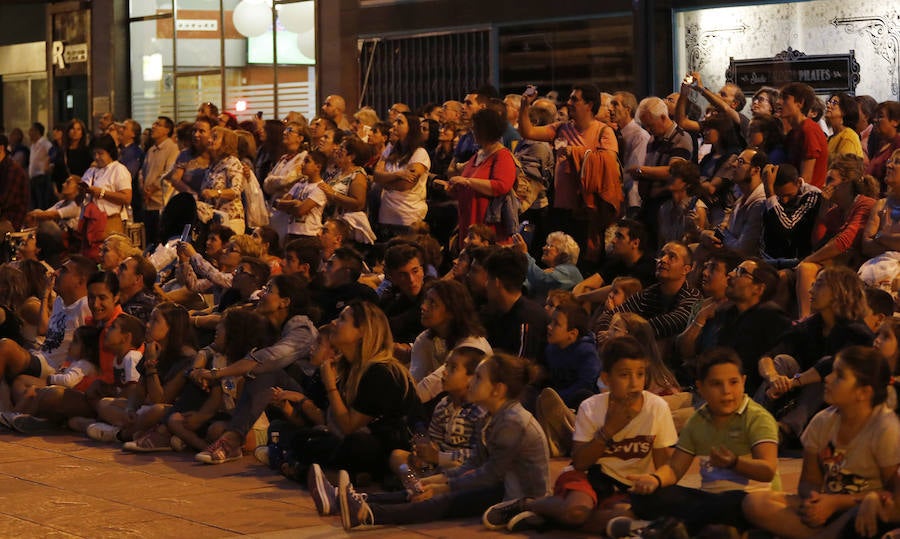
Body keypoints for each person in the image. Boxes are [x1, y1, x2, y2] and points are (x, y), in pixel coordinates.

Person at [315, 353, 548, 532]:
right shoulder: (492, 416)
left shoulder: (512, 422)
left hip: (515, 496)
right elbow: (474, 463)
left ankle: (368, 513)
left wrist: (443, 487)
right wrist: (435, 482)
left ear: (498, 390)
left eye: (478, 377)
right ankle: (344, 499)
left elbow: (490, 474)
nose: (471, 383)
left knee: (445, 500)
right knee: (422, 488)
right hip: (498, 486)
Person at [491, 336, 678, 533]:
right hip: (588, 475)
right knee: (577, 512)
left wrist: (655, 480)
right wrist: (609, 430)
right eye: (624, 375)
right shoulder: (591, 407)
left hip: (625, 485)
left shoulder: (657, 407)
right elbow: (580, 463)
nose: (634, 384)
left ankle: (549, 519)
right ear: (606, 378)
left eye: (640, 374)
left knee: (625, 517)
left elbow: (664, 465)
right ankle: (528, 504)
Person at [743, 346, 900, 539]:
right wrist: (815, 502)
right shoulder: (822, 421)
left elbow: (894, 500)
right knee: (755, 502)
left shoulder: (884, 428)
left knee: (868, 514)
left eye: (839, 376)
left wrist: (835, 503)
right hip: (826, 506)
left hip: (862, 509)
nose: (828, 378)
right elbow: (809, 482)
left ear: (863, 392)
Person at [626, 347, 780, 535]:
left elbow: (767, 471)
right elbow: (675, 469)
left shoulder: (757, 417)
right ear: (701, 387)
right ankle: (697, 527)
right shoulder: (697, 420)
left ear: (744, 381)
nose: (727, 391)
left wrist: (734, 463)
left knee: (730, 505)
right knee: (645, 497)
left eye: (733, 383)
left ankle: (671, 527)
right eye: (716, 384)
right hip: (709, 499)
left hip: (750, 501)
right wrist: (655, 480)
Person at [757, 266, 874, 443]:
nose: (811, 290)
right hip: (799, 396)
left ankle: (787, 429)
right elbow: (768, 356)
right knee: (782, 361)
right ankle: (754, 419)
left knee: (829, 370)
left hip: (836, 405)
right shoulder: (812, 326)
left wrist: (795, 381)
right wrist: (774, 377)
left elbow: (833, 366)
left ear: (839, 291)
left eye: (819, 285)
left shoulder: (857, 332)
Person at [795, 153, 878, 319]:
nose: (825, 186)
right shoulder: (837, 211)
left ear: (846, 183)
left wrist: (808, 260)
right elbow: (817, 242)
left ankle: (804, 321)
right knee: (783, 278)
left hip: (853, 267)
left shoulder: (865, 203)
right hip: (837, 264)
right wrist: (824, 207)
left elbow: (843, 242)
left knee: (806, 268)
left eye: (830, 181)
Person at [387, 346, 487, 481]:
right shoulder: (443, 405)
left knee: (463, 471)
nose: (444, 373)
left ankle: (422, 489)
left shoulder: (479, 410)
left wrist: (440, 457)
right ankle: (418, 487)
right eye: (446, 366)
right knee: (397, 456)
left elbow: (480, 455)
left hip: (463, 469)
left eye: (453, 368)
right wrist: (423, 453)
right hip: (438, 467)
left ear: (471, 378)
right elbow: (435, 442)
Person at [534, 301, 601, 457]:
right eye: (551, 321)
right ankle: (553, 440)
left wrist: (559, 399)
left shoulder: (586, 352)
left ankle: (567, 440)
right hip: (557, 399)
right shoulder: (551, 348)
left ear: (572, 334)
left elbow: (587, 383)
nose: (549, 327)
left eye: (556, 324)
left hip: (579, 406)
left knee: (582, 395)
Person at [445, 104, 517, 248]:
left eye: (475, 128)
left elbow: (501, 186)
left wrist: (467, 182)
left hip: (487, 228)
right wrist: (453, 189)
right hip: (469, 221)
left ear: (487, 130)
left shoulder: (502, 155)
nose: (472, 131)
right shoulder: (478, 155)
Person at [410, 280, 491, 403]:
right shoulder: (425, 339)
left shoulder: (472, 345)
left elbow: (429, 387)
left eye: (433, 303)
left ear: (451, 312)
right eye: (426, 300)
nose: (423, 306)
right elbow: (413, 382)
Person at [479, 248, 549, 363]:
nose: (486, 285)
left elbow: (521, 370)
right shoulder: (494, 312)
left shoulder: (528, 319)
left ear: (497, 283)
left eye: (488, 279)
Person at [374, 111, 431, 238]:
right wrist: (398, 175)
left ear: (411, 128)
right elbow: (376, 175)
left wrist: (385, 182)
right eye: (395, 121)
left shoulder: (420, 153)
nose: (394, 125)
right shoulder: (390, 148)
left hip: (408, 217)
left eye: (399, 122)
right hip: (386, 215)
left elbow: (405, 185)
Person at [760, 163, 822, 266]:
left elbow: (787, 228)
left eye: (788, 195)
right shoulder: (772, 193)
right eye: (780, 196)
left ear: (798, 182)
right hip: (769, 258)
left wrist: (771, 195)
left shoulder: (812, 195)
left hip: (796, 261)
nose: (784, 200)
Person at [81, 135, 133, 236]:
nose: (96, 157)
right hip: (90, 222)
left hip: (110, 222)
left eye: (100, 154)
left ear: (110, 153)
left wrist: (102, 193)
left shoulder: (119, 170)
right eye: (94, 154)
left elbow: (126, 198)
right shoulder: (91, 171)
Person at [139, 116, 179, 247]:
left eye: (158, 124)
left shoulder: (172, 148)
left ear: (167, 130)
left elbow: (168, 172)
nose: (153, 126)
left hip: (160, 202)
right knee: (148, 241)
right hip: (147, 202)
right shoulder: (151, 150)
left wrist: (152, 188)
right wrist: (143, 188)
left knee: (159, 242)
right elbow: (143, 172)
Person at [198, 127, 245, 235]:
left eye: (215, 138)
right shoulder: (212, 165)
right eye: (210, 137)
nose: (209, 140)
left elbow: (236, 191)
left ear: (226, 143)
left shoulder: (232, 162)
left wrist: (217, 193)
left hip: (230, 219)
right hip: (215, 220)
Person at [780, 83, 828, 188]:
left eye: (785, 99)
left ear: (800, 103)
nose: (779, 102)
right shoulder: (794, 132)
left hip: (808, 196)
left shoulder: (808, 130)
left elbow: (806, 179)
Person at [274, 150, 327, 241]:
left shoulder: (320, 188)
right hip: (291, 231)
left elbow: (300, 211)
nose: (302, 164)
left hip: (308, 234)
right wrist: (294, 202)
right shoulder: (299, 184)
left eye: (307, 161)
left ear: (318, 167)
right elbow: (279, 205)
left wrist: (288, 207)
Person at [515, 231, 584, 300]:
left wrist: (524, 254)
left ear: (563, 255)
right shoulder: (554, 271)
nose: (543, 248)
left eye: (549, 246)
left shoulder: (570, 271)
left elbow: (542, 281)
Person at [824, 93, 864, 164]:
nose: (828, 105)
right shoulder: (831, 138)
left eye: (834, 103)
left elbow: (846, 169)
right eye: (829, 102)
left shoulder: (848, 136)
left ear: (845, 110)